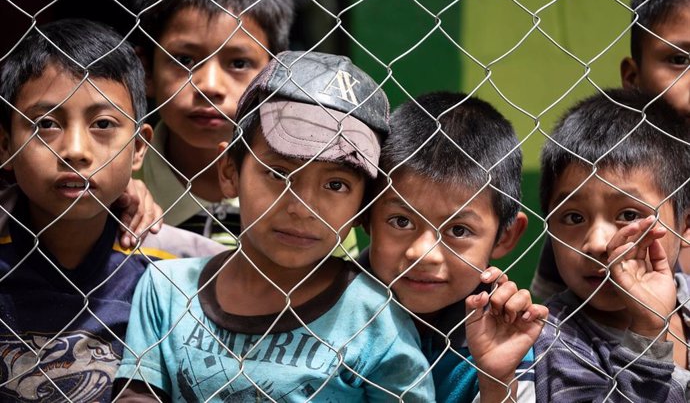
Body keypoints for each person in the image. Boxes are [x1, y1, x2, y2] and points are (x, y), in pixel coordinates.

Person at [114, 51, 435, 401]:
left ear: (364, 206)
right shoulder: (167, 291)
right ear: (230, 173)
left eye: (336, 184)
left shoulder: (376, 321)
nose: (302, 207)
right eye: (279, 173)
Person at [0, 19, 225, 402]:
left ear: (139, 149)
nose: (74, 150)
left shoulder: (182, 271)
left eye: (103, 124)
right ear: (5, 146)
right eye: (45, 125)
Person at [364, 92, 548, 402]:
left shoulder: (507, 330)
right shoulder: (330, 301)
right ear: (365, 214)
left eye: (458, 230)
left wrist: (496, 382)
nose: (423, 254)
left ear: (505, 236)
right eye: (400, 221)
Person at [532, 0, 690, 299]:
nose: (599, 241)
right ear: (632, 78)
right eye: (679, 60)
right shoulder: (594, 207)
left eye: (630, 214)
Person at [131, 0, 294, 248]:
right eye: (184, 60)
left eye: (238, 63)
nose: (209, 85)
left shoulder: (304, 189)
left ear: (275, 76)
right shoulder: (115, 185)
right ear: (146, 72)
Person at [533, 88, 690, 402]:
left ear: (685, 225)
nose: (597, 243)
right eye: (574, 217)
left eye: (629, 215)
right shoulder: (553, 338)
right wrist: (648, 336)